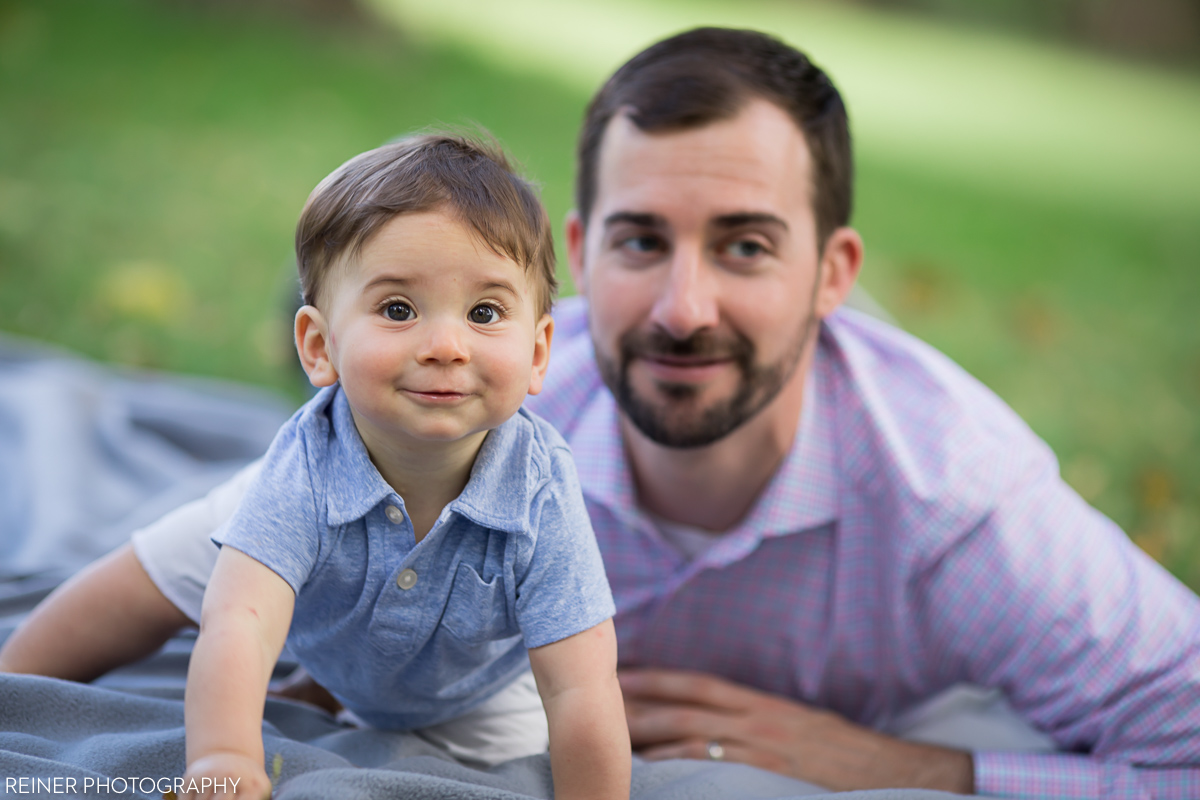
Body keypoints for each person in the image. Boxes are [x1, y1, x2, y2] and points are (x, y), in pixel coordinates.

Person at [3, 27, 1198, 799]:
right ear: (579, 255)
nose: (679, 308)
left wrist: (912, 767)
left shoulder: (960, 508)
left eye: (744, 243)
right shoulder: (492, 382)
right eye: (639, 239)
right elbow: (244, 539)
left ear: (835, 271)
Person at [163, 134, 630, 799]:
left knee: (510, 748)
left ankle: (329, 683)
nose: (445, 345)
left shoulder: (541, 490)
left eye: (485, 312)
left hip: (466, 691)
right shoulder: (305, 460)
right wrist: (224, 759)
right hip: (311, 551)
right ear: (319, 347)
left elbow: (581, 684)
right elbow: (240, 620)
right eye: (398, 309)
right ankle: (17, 676)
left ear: (537, 353)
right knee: (141, 581)